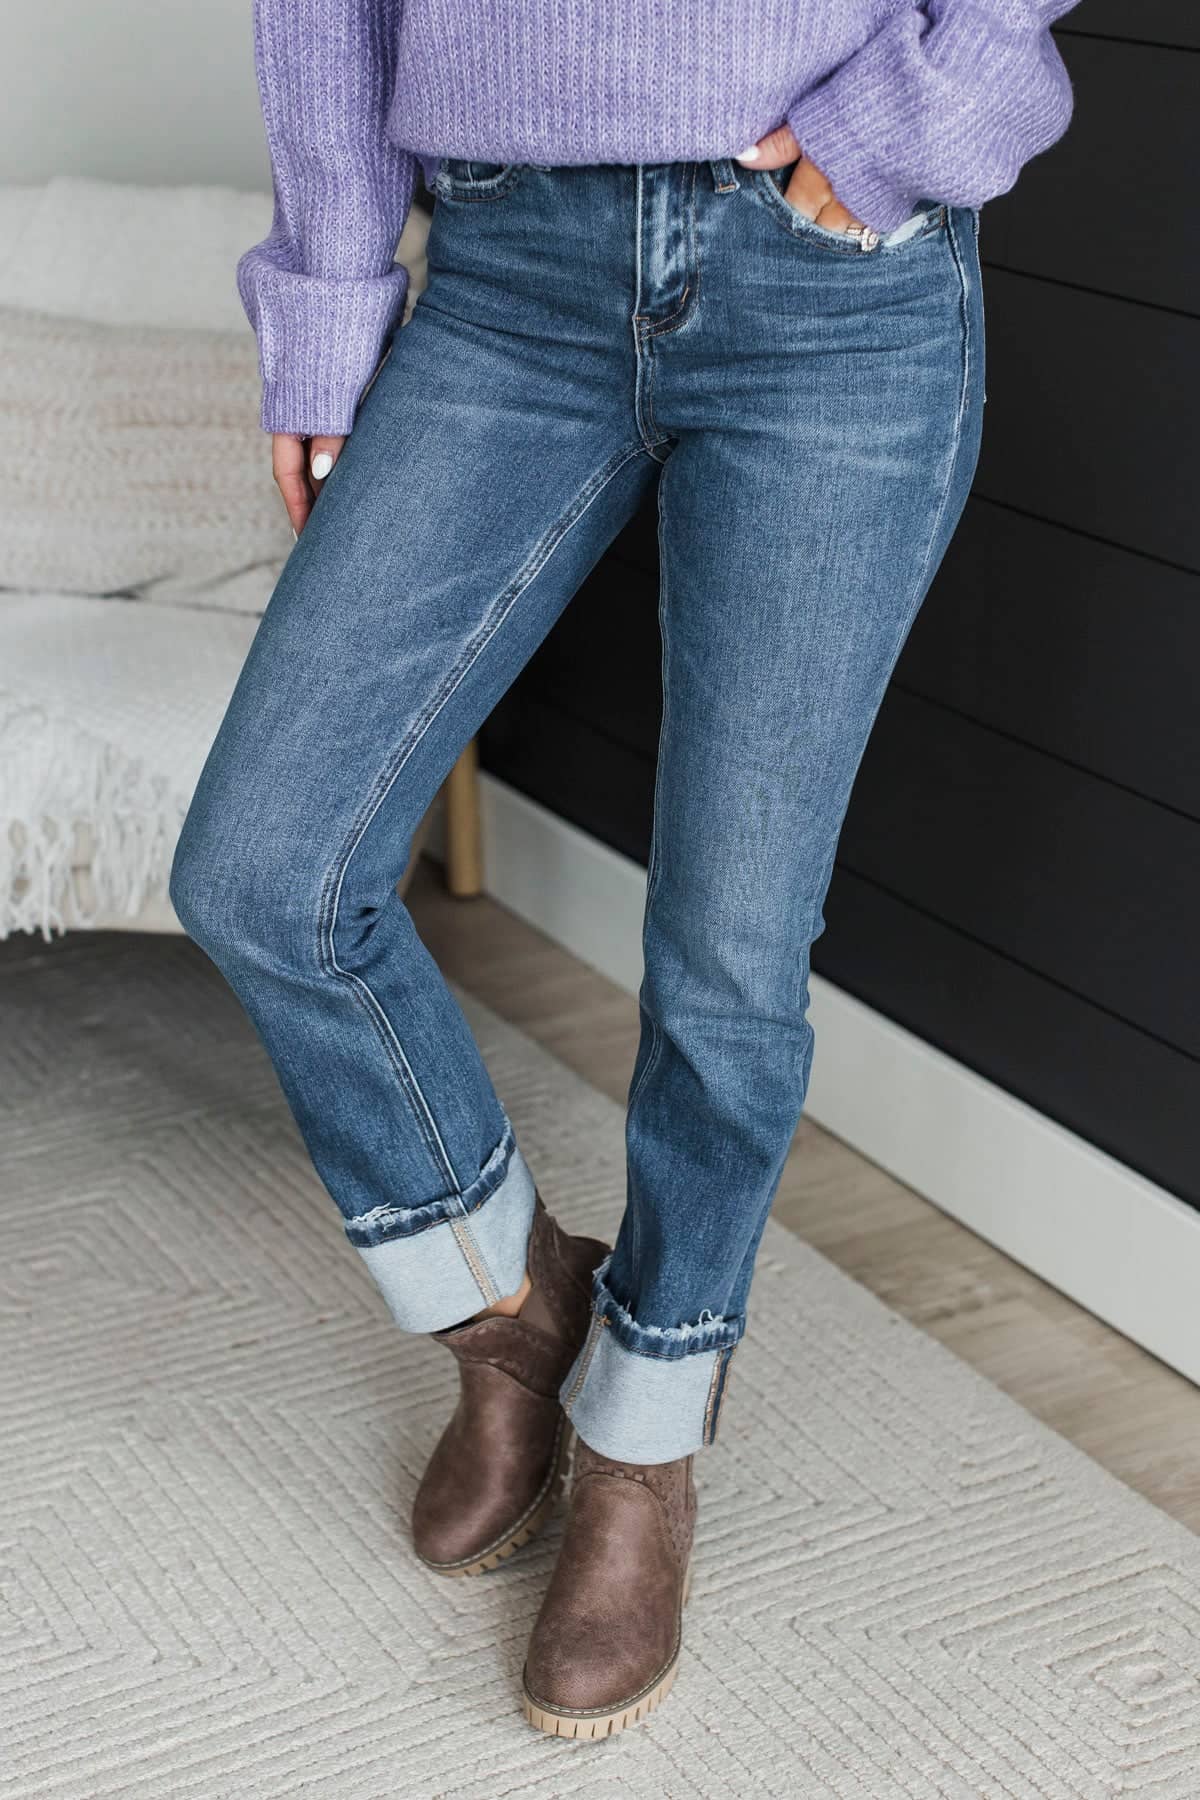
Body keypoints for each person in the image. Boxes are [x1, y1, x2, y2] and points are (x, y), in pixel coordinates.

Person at [170, 0, 1079, 1740]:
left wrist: (929, 102)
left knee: (730, 958)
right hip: (506, 264)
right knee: (266, 870)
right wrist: (332, 293)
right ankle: (520, 1314)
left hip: (832, 274)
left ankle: (644, 1432)